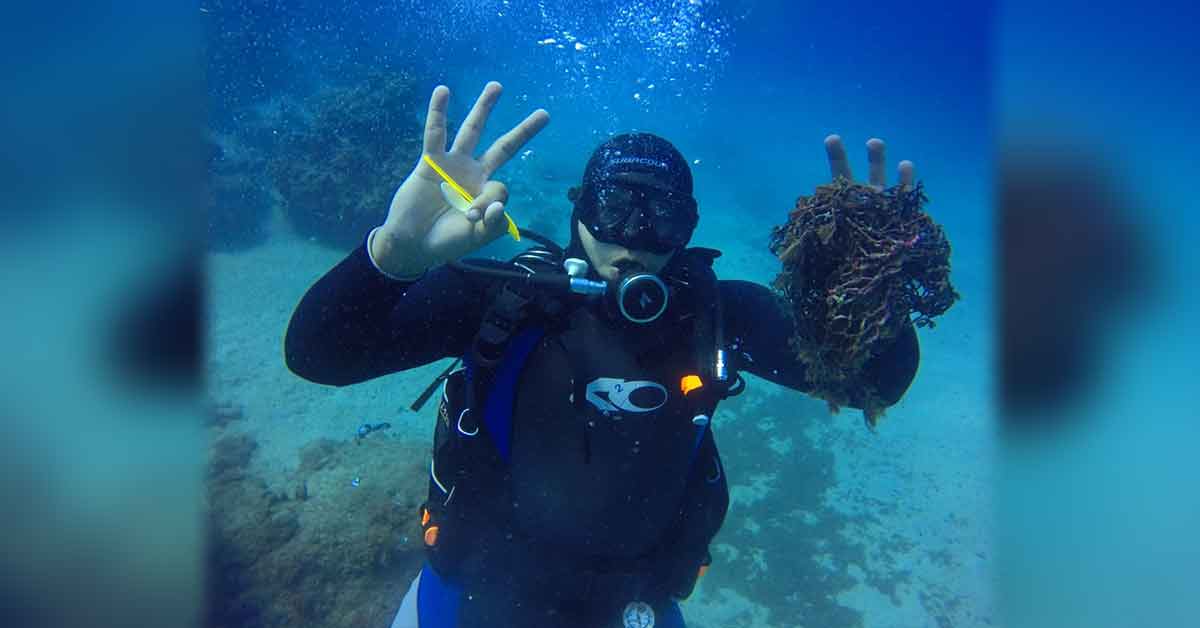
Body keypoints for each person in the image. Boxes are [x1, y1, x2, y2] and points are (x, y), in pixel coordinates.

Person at [284, 81, 921, 628]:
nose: (634, 239)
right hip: (472, 590)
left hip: (633, 599)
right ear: (580, 210)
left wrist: (867, 288)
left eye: (662, 218)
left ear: (689, 229)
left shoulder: (720, 316)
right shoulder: (502, 299)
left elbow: (875, 382)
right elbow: (319, 356)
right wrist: (390, 258)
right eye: (614, 207)